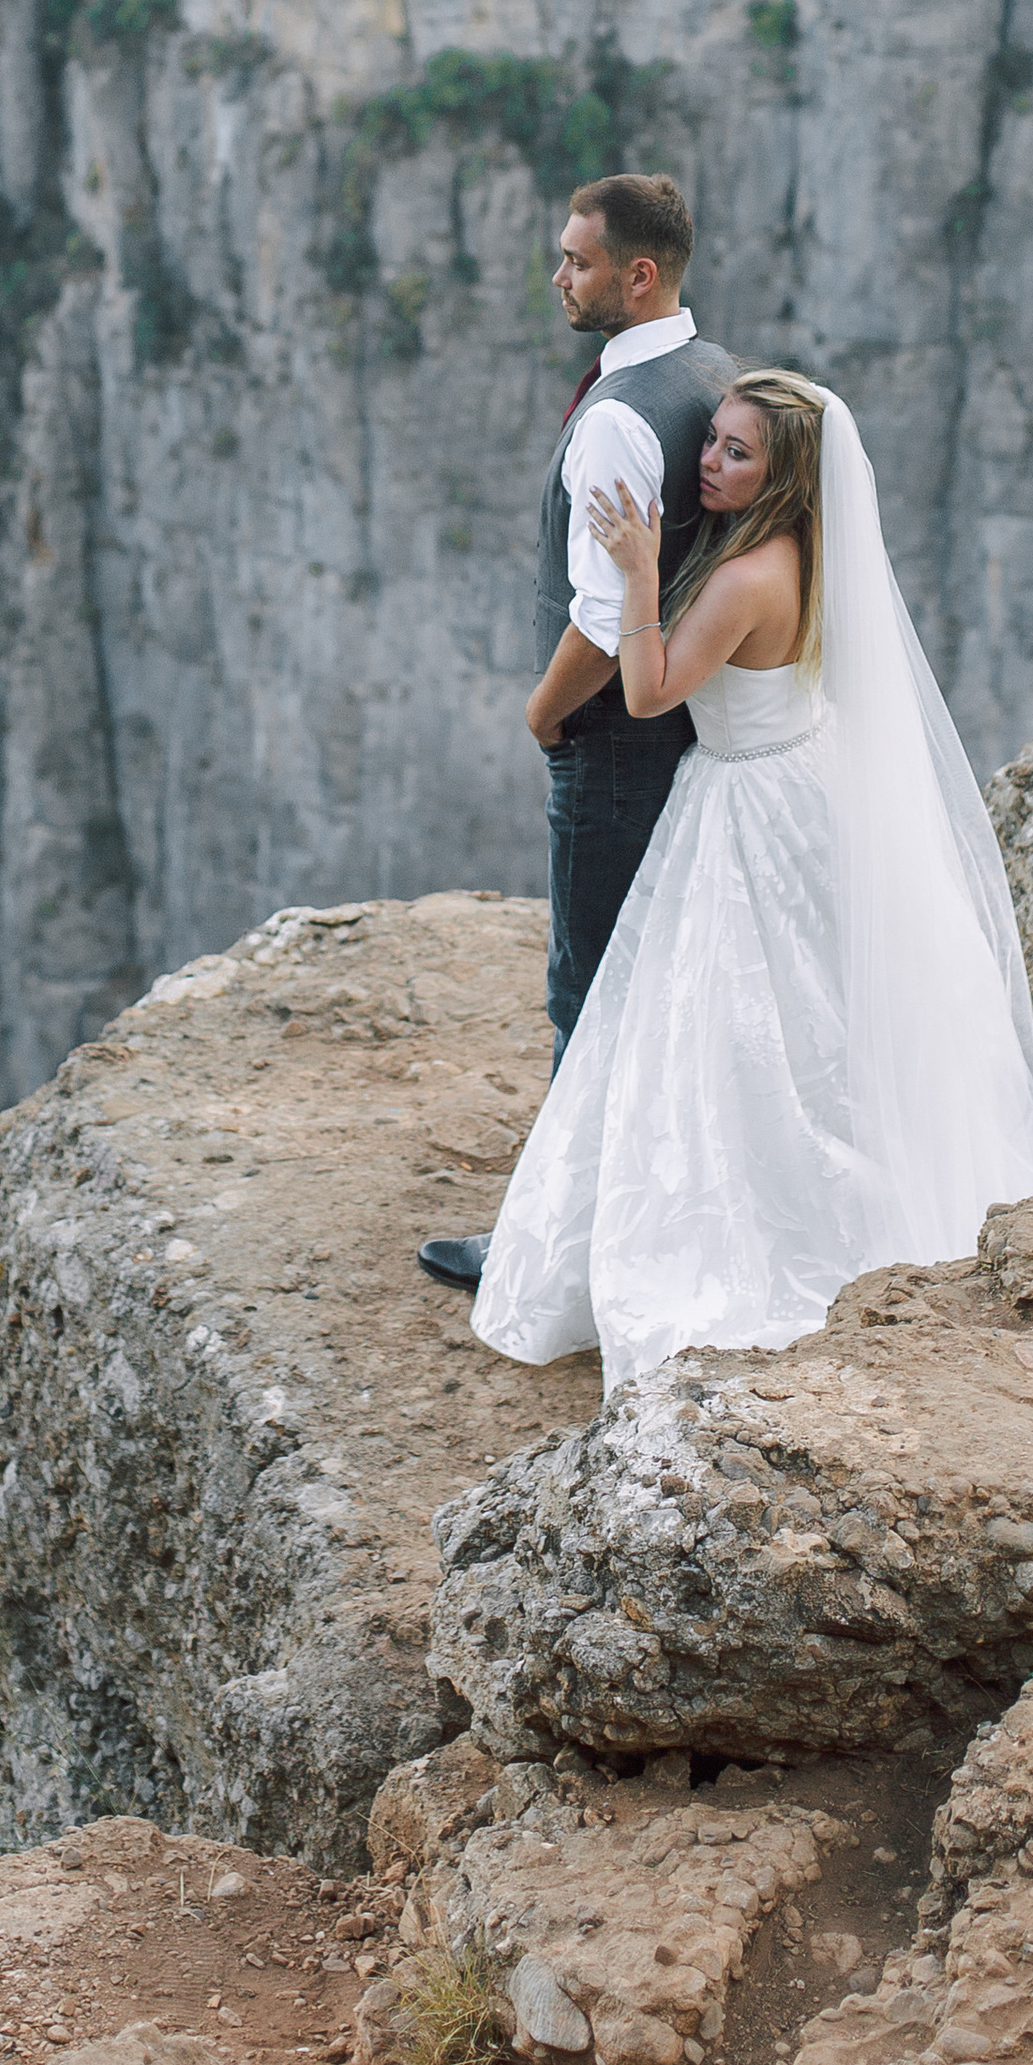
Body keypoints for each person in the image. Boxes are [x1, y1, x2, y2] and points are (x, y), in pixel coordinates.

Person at [470, 370, 1033, 1390]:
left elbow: (650, 695)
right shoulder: (806, 551)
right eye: (714, 441)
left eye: (738, 453)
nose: (709, 459)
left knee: (740, 1030)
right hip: (798, 783)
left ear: (783, 478)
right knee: (810, 1017)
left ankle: (791, 1226)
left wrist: (637, 569)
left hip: (745, 803)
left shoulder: (745, 578)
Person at [416, 172, 731, 1294]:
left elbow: (601, 622)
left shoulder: (616, 423)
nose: (558, 276)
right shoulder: (717, 382)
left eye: (575, 261)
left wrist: (542, 713)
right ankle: (646, 1224)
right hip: (697, 737)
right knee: (657, 987)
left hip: (612, 745)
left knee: (585, 993)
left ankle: (548, 1259)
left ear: (635, 275)